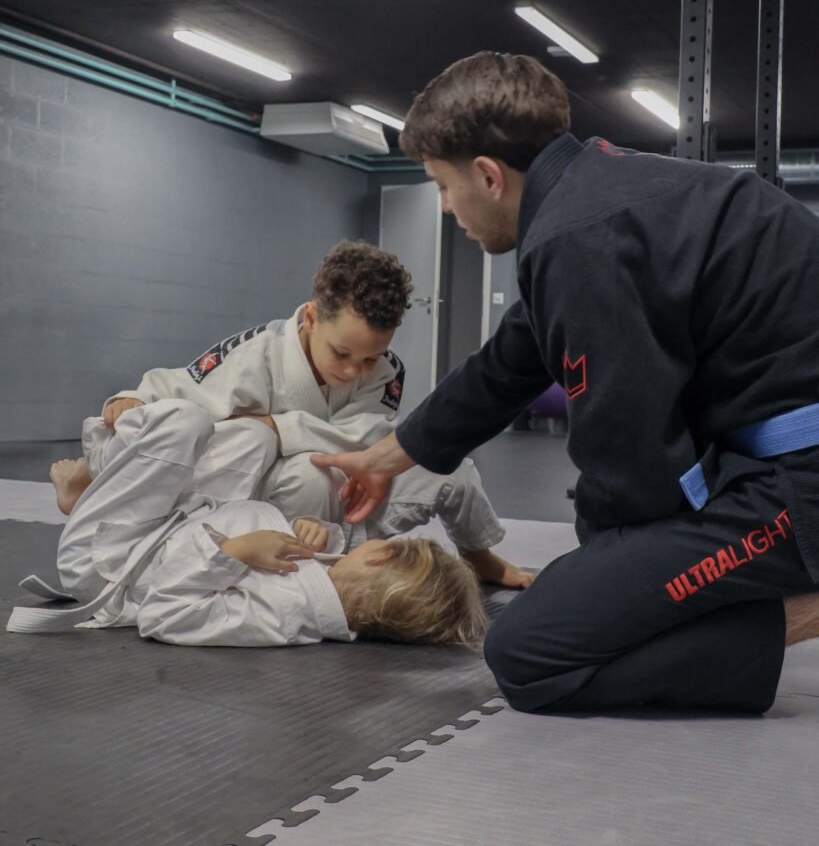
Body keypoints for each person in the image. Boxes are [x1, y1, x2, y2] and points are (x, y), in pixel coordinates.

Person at [312, 50, 819, 715]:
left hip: (798, 486)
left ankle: (803, 610)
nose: (447, 207)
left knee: (531, 653)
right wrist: (385, 459)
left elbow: (633, 456)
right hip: (777, 462)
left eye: (442, 185)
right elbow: (510, 361)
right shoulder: (593, 193)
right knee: (584, 597)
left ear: (488, 175)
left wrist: (606, 579)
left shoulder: (577, 237)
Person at [52, 239, 530, 589]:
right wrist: (130, 397)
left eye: (369, 358)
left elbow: (365, 442)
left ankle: (480, 556)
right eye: (342, 353)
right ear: (312, 317)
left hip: (344, 494)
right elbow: (177, 394)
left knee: (453, 469)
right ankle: (97, 495)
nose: (354, 370)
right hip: (254, 501)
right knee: (288, 462)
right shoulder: (257, 353)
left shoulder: (387, 371)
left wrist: (282, 427)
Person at [7, 399, 487, 649]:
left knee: (184, 421)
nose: (359, 546)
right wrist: (313, 528)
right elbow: (313, 547)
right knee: (256, 438)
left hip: (107, 560)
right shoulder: (326, 581)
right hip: (170, 525)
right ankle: (97, 491)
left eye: (369, 547)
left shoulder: (283, 618)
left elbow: (163, 616)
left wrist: (233, 553)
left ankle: (94, 473)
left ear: (380, 556)